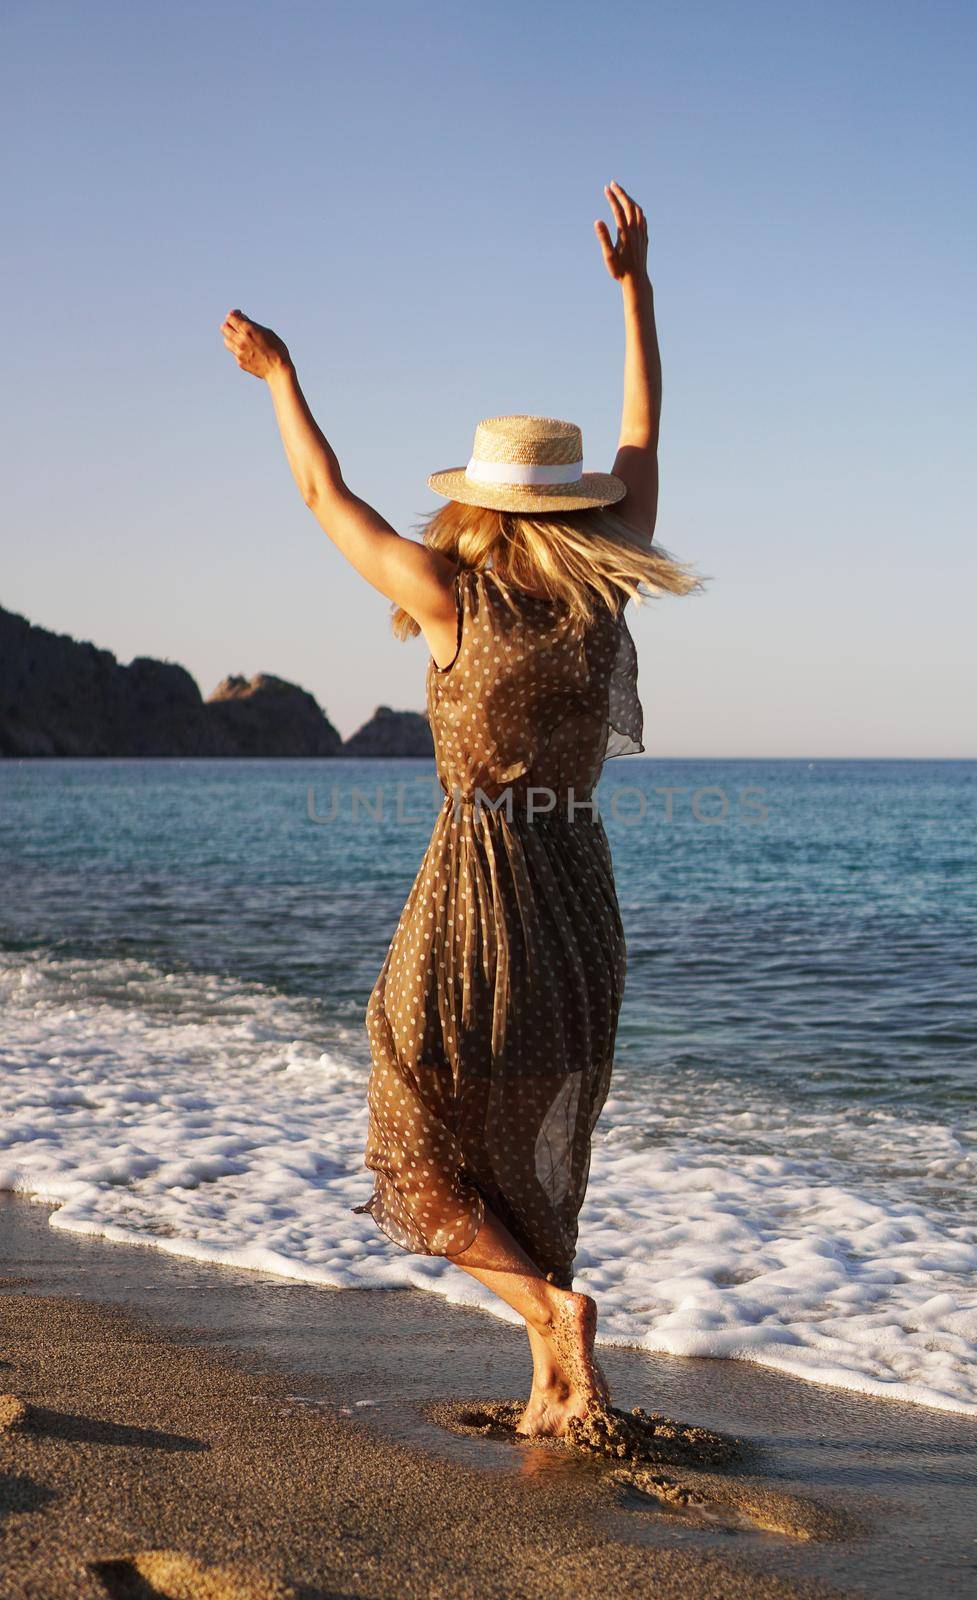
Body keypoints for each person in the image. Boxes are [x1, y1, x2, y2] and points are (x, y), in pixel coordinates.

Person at [220, 181, 702, 1437]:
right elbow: (645, 438)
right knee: (536, 1122)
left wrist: (279, 376)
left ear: (477, 499)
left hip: (476, 883)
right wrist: (636, 292)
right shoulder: (602, 592)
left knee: (412, 1137)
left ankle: (549, 1319)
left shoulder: (449, 594)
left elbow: (326, 498)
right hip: (578, 886)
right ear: (572, 498)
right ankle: (551, 1376)